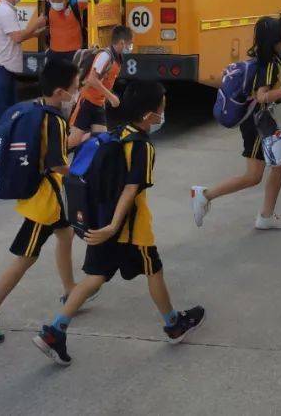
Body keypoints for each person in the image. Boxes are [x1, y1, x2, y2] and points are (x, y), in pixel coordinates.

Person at [34, 81, 205, 365]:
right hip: (130, 228)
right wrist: (114, 226)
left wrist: (107, 225)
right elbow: (130, 188)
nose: (165, 110)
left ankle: (54, 330)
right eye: (162, 105)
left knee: (94, 278)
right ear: (150, 114)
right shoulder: (142, 146)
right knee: (154, 271)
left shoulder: (117, 134)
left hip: (101, 220)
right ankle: (174, 324)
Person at [0, 59, 80, 345]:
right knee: (26, 257)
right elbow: (56, 164)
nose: (76, 93)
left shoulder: (37, 109)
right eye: (75, 88)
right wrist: (82, 172)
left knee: (65, 234)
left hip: (47, 196)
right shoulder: (54, 119)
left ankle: (70, 290)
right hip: (44, 201)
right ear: (60, 92)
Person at [190, 15, 281, 231]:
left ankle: (264, 215)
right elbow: (262, 96)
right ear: (276, 39)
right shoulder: (269, 63)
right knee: (256, 175)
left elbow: (263, 89)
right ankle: (206, 196)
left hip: (258, 121)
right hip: (257, 123)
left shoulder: (264, 59)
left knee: (277, 166)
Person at [0, 0, 47, 154]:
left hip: (6, 66)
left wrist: (34, 34)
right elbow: (17, 37)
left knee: (9, 108)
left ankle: (3, 142)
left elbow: (15, 37)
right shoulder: (4, 11)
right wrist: (36, 24)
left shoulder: (8, 9)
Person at [68, 25, 133, 142]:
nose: (130, 47)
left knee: (101, 139)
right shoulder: (105, 56)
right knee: (73, 141)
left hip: (98, 104)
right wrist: (111, 97)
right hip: (87, 102)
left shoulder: (116, 58)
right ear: (122, 42)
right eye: (129, 44)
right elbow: (92, 79)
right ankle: (52, 156)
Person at [43, 0, 89, 64]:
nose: (56, 4)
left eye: (59, 1)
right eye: (53, 1)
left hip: (74, 53)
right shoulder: (50, 0)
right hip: (54, 53)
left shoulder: (76, 4)